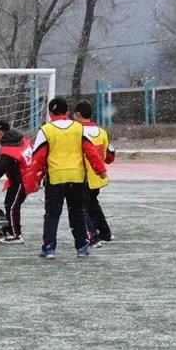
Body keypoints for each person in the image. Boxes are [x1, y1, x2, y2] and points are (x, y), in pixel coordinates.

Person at [24, 98, 107, 259]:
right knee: (77, 213)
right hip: (77, 178)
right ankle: (82, 247)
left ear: (50, 113)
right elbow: (91, 151)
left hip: (56, 178)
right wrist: (101, 170)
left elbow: (38, 157)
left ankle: (49, 249)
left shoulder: (46, 130)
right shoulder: (78, 128)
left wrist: (33, 180)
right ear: (67, 112)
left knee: (52, 214)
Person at [0, 120, 32, 244]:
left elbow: (0, 170)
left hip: (21, 180)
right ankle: (10, 231)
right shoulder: (21, 140)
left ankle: (16, 235)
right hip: (24, 178)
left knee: (12, 206)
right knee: (10, 204)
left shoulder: (8, 149)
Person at [72, 100, 115, 246]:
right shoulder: (102, 132)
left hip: (83, 175)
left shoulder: (77, 132)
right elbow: (109, 156)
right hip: (98, 176)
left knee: (81, 207)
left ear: (78, 115)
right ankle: (105, 232)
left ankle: (92, 236)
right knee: (93, 204)